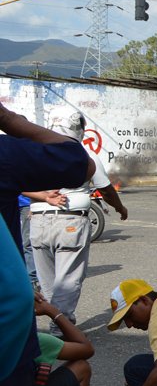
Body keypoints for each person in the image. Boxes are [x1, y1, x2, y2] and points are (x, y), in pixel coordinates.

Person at [0, 102, 95, 386]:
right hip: (10, 351)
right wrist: (11, 121)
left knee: (45, 277)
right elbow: (81, 164)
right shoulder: (11, 151)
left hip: (40, 222)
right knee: (67, 284)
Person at [24, 108, 127, 336]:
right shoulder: (85, 153)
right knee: (68, 280)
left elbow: (19, 183)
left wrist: (41, 197)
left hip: (38, 222)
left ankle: (56, 321)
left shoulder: (35, 152)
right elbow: (106, 190)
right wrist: (120, 208)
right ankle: (61, 327)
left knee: (48, 281)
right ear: (79, 128)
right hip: (71, 223)